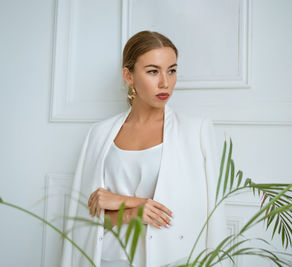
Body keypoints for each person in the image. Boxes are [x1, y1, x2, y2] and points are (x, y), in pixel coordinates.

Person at [60, 31, 228, 267]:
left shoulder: (196, 130)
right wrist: (133, 209)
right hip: (111, 259)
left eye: (172, 70)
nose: (165, 83)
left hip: (172, 259)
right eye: (152, 71)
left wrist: (118, 200)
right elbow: (86, 221)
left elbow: (211, 216)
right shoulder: (98, 134)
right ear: (128, 75)